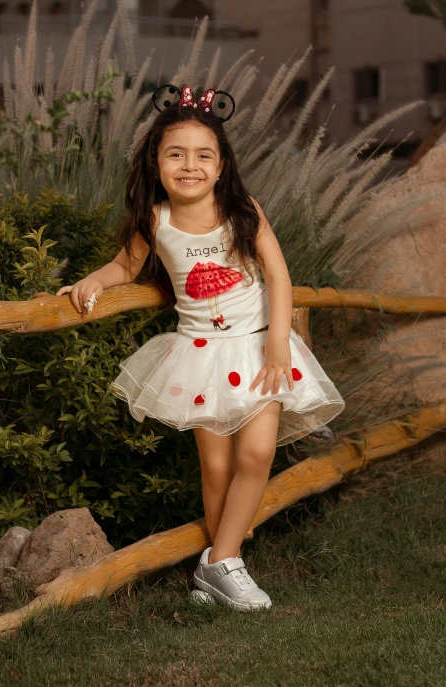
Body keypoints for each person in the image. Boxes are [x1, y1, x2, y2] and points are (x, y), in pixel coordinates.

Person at [55, 83, 346, 613]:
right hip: (199, 354)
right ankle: (220, 567)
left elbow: (279, 277)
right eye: (176, 154)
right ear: (156, 161)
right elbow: (124, 265)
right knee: (214, 469)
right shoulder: (156, 219)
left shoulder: (242, 210)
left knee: (257, 453)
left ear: (221, 164)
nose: (189, 165)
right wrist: (95, 281)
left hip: (258, 348)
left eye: (203, 155)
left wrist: (279, 343)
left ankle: (222, 561)